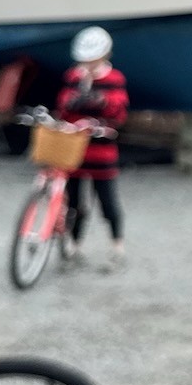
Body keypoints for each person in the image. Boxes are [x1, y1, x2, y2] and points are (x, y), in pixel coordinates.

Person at [55, 26, 128, 272]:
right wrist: (71, 101)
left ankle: (117, 244)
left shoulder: (114, 79)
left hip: (101, 150)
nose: (87, 64)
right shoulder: (73, 76)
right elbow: (63, 107)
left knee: (107, 200)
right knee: (75, 203)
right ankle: (74, 245)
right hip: (75, 150)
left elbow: (119, 112)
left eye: (92, 59)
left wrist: (100, 101)